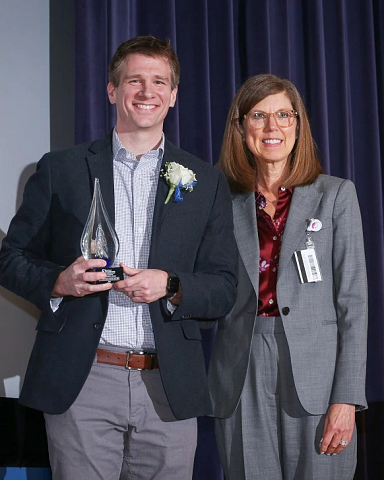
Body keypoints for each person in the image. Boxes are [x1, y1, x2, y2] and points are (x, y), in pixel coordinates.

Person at [0, 36, 237, 480]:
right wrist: (58, 281)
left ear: (173, 95)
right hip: (83, 380)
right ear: (112, 90)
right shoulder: (61, 168)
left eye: (159, 82)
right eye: (135, 81)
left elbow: (225, 286)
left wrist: (171, 285)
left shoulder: (205, 181)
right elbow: (10, 258)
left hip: (167, 386)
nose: (147, 92)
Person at [208, 74, 368, 480]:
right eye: (258, 116)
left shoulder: (335, 196)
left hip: (317, 375)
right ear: (241, 129)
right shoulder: (219, 202)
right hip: (241, 370)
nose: (272, 127)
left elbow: (354, 304)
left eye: (283, 114)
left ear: (298, 124)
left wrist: (346, 399)